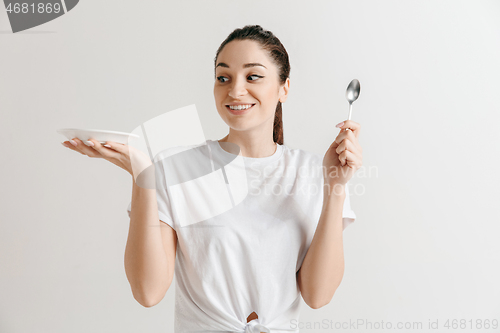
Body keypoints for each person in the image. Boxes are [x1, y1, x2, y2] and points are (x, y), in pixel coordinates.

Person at [61, 24, 363, 333]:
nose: (235, 90)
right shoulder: (175, 167)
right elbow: (147, 291)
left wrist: (336, 187)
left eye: (253, 76)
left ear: (284, 87)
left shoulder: (313, 172)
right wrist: (143, 177)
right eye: (223, 78)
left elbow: (318, 295)